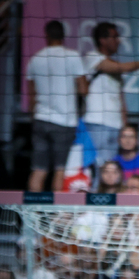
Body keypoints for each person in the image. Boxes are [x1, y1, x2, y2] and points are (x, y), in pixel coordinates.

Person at [26, 20, 87, 192]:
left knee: (39, 170)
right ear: (63, 36)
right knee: (60, 171)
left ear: (46, 35)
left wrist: (34, 118)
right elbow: (84, 89)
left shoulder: (35, 59)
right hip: (64, 122)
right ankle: (54, 219)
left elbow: (32, 96)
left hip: (40, 120)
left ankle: (32, 218)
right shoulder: (72, 56)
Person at [84, 22, 139, 166]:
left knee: (111, 168)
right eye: (115, 37)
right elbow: (121, 68)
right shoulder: (92, 57)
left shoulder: (114, 66)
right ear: (102, 40)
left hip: (115, 125)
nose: (119, 41)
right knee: (97, 167)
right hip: (97, 122)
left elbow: (121, 100)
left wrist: (125, 126)